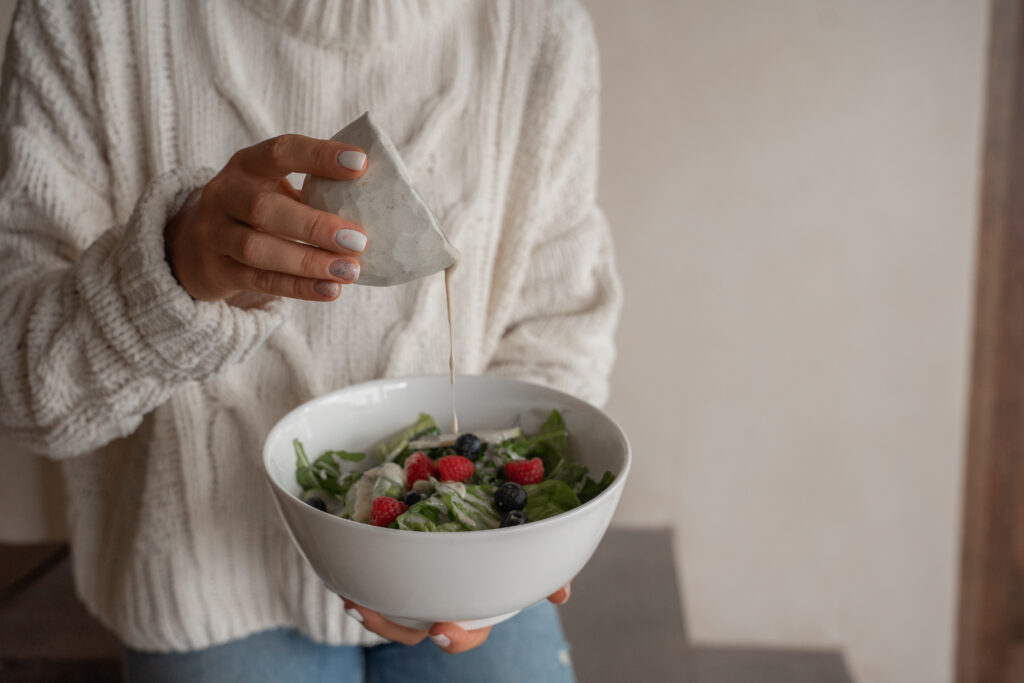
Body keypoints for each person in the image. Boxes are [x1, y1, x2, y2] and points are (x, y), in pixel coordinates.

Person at [0, 0, 622, 681]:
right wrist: (171, 272)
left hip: (473, 555)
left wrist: (523, 549)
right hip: (207, 580)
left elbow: (558, 337)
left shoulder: (538, 28)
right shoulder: (88, 18)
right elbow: (23, 392)